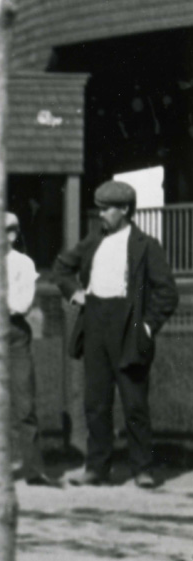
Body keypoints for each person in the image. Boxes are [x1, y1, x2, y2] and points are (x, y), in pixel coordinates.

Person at [52, 180, 179, 488]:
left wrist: (146, 327)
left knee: (134, 402)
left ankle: (142, 469)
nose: (101, 215)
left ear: (124, 210)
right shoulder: (93, 241)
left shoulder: (146, 245)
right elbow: (61, 268)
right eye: (99, 208)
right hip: (95, 322)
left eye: (107, 209)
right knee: (96, 401)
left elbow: (167, 293)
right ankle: (97, 467)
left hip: (129, 327)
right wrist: (76, 295)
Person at [6, 213, 55, 487]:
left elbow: (22, 303)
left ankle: (33, 468)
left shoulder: (22, 263)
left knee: (23, 402)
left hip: (14, 334)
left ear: (12, 235)